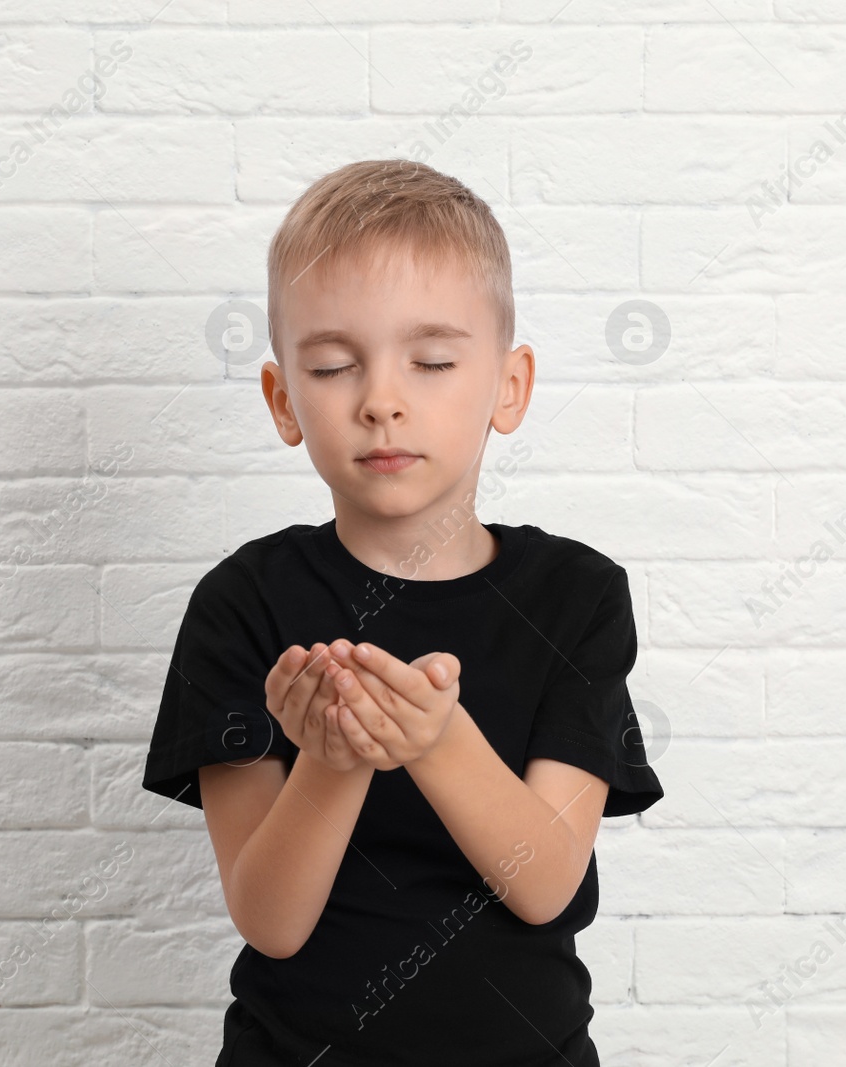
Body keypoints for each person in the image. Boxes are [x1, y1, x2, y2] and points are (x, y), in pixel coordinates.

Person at [142, 158, 665, 1067]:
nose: (382, 398)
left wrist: (432, 739)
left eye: (430, 361)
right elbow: (269, 919)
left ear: (510, 386)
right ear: (283, 400)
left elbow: (545, 882)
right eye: (336, 365)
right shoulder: (244, 604)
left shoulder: (575, 596)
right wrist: (334, 760)